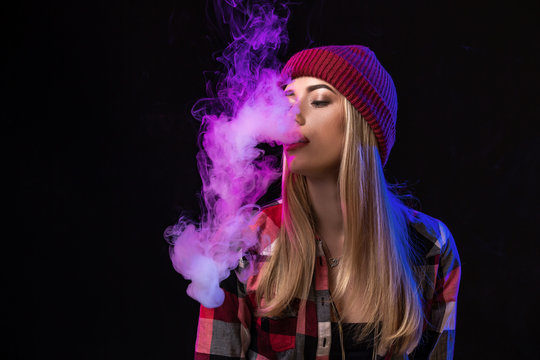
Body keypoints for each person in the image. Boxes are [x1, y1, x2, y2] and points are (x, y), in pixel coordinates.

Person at [194, 45, 461, 360]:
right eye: (288, 100)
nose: (291, 115)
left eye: (319, 100)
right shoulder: (241, 244)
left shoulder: (431, 246)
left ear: (361, 127)